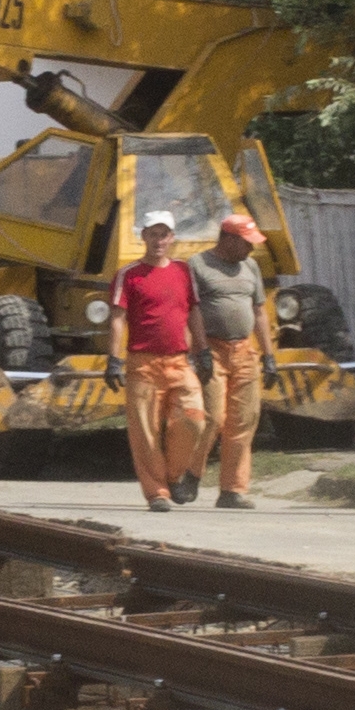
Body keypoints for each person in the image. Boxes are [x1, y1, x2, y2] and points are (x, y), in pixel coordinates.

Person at [107, 212, 207, 512]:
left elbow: (194, 313)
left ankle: (175, 476)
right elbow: (117, 319)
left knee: (194, 419)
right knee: (146, 433)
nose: (159, 240)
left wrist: (203, 350)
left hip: (179, 362)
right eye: (153, 234)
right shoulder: (129, 275)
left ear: (172, 238)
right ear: (144, 237)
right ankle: (157, 493)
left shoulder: (183, 271)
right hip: (143, 364)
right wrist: (113, 359)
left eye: (164, 234)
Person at [194, 211, 272, 510]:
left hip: (244, 351)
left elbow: (261, 312)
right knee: (212, 417)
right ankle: (190, 474)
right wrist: (199, 351)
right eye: (246, 242)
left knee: (243, 421)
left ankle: (233, 490)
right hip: (212, 349)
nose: (252, 248)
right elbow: (192, 312)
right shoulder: (198, 265)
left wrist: (269, 356)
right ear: (228, 239)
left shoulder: (250, 266)